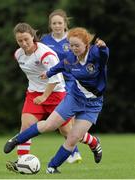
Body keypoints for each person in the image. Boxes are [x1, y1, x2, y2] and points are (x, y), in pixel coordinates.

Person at [4, 27, 109, 174]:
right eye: (71, 45)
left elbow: (104, 57)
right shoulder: (70, 57)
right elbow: (60, 66)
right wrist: (48, 73)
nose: (73, 49)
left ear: (86, 44)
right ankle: (16, 140)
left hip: (93, 105)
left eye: (77, 45)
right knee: (48, 125)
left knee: (72, 138)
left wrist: (103, 48)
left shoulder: (96, 54)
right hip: (74, 98)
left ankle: (52, 166)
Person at [41, 9, 102, 163]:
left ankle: (74, 152)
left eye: (60, 23)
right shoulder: (45, 41)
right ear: (50, 25)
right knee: (63, 124)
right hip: (54, 84)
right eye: (54, 23)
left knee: (67, 123)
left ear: (65, 24)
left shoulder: (72, 39)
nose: (57, 26)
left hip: (72, 83)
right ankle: (91, 143)